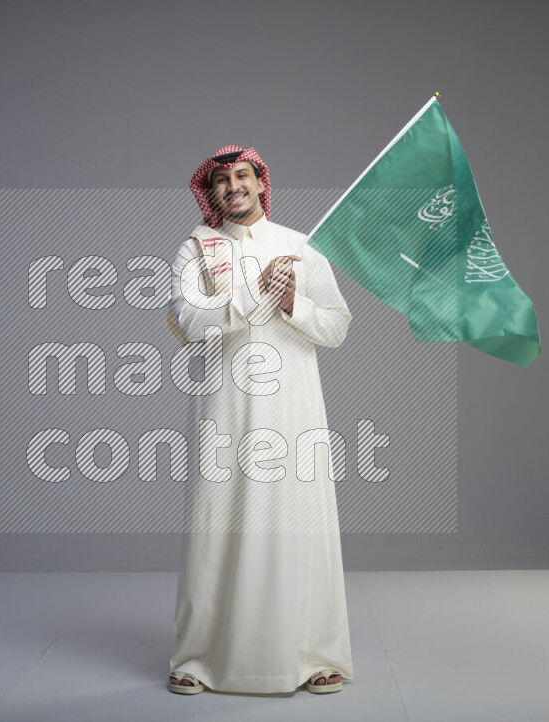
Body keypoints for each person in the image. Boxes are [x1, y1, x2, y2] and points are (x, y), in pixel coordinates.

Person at [165, 145, 355, 695]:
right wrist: (253, 294)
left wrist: (293, 299)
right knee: (215, 526)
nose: (233, 187)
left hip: (293, 410)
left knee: (301, 522)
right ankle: (199, 658)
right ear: (212, 192)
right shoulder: (196, 249)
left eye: (242, 176)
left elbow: (337, 327)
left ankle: (316, 654)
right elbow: (186, 318)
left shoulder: (300, 247)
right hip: (224, 407)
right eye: (222, 180)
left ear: (260, 183)